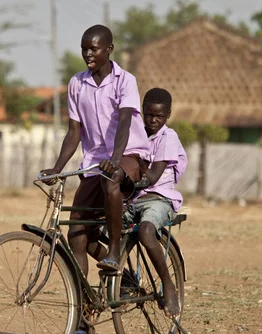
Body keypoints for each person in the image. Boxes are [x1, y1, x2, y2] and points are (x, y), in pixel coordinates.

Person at [40, 24, 150, 279]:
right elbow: (74, 132)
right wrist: (57, 168)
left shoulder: (125, 81)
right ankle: (83, 310)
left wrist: (114, 159)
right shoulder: (77, 84)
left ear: (109, 49)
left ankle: (113, 252)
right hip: (95, 163)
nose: (88, 54)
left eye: (94, 48)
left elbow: (124, 122)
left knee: (111, 180)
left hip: (129, 154)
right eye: (83, 49)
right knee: (77, 235)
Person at [123, 87, 188, 318]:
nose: (152, 120)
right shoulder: (135, 134)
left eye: (158, 116)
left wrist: (130, 169)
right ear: (142, 111)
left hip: (159, 198)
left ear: (168, 115)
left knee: (147, 231)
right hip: (133, 199)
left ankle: (167, 284)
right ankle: (127, 276)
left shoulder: (168, 137)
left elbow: (152, 177)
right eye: (149, 115)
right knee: (95, 232)